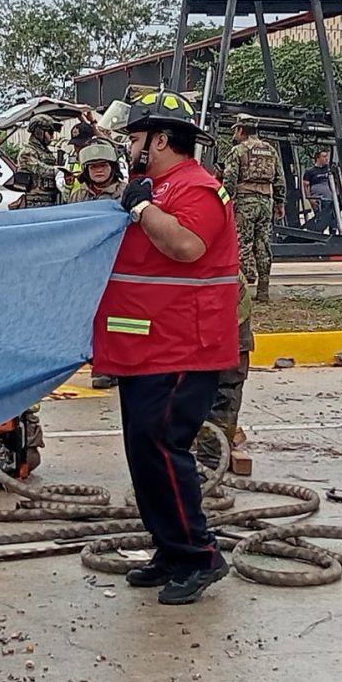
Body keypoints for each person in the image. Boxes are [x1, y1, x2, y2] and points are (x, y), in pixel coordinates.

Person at [95, 89, 243, 605]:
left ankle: (199, 555)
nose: (129, 148)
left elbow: (186, 247)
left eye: (135, 138)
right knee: (143, 451)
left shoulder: (196, 189)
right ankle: (170, 548)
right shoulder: (158, 188)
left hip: (184, 349)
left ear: (159, 140)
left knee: (163, 448)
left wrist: (141, 209)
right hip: (150, 348)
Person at [225, 115, 283, 303]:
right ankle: (263, 291)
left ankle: (240, 294)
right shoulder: (271, 151)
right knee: (263, 245)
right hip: (266, 202)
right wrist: (280, 203)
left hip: (245, 202)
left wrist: (225, 202)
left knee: (243, 244)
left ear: (241, 130)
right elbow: (279, 179)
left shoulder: (238, 151)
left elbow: (230, 180)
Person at [9, 115, 65, 209]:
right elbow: (40, 169)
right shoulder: (27, 152)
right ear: (39, 132)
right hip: (35, 203)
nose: (52, 137)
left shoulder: (46, 152)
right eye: (50, 132)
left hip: (52, 200)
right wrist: (60, 170)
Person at [301, 149, 340, 234]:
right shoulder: (310, 172)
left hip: (331, 200)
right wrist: (311, 200)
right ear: (318, 158)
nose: (327, 159)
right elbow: (306, 186)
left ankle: (333, 237)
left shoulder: (329, 170)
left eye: (327, 156)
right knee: (321, 222)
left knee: (334, 221)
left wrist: (336, 196)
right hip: (319, 201)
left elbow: (337, 182)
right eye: (324, 156)